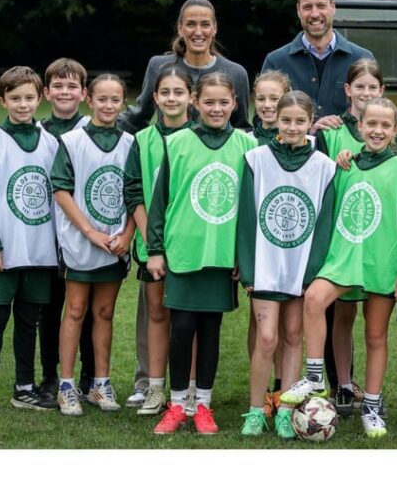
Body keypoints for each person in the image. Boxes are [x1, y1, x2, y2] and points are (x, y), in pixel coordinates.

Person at [281, 97, 397, 439]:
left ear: (394, 131)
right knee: (313, 299)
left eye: (384, 126)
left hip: (381, 262)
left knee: (376, 335)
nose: (376, 130)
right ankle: (315, 376)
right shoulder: (342, 166)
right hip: (344, 258)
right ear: (359, 127)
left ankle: (372, 406)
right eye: (370, 124)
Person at [146, 73, 257, 435]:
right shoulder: (176, 142)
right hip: (183, 252)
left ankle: (203, 406)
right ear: (195, 101)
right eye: (209, 101)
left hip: (223, 257)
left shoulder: (246, 144)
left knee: (210, 331)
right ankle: (177, 405)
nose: (216, 108)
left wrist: (244, 255)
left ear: (235, 104)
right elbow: (159, 201)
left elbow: (251, 207)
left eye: (224, 102)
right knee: (181, 329)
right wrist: (155, 250)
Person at [237, 91, 337, 439]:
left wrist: (313, 271)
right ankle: (254, 410)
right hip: (265, 264)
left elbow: (324, 221)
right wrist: (247, 267)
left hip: (300, 268)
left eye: (300, 121)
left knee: (293, 335)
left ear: (310, 122)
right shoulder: (256, 159)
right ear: (276, 120)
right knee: (267, 338)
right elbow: (247, 216)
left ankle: (284, 409)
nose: (293, 127)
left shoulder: (324, 166)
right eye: (286, 120)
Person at [0, 66, 59, 414]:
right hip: (2, 250)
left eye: (29, 97)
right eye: (15, 98)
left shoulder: (51, 142)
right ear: (2, 100)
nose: (22, 104)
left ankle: (24, 387)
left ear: (40, 98)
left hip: (40, 250)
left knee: (28, 322)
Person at [51, 75, 135, 416]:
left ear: (123, 102)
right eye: (102, 99)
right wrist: (89, 232)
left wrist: (127, 234)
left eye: (115, 99)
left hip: (114, 242)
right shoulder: (71, 141)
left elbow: (135, 193)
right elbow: (61, 189)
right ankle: (67, 385)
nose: (108, 105)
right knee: (75, 309)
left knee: (104, 312)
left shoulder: (131, 142)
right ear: (90, 100)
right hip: (81, 241)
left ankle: (101, 383)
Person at [123, 64, 195, 415]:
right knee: (156, 313)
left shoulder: (199, 138)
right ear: (154, 97)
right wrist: (154, 243)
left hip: (190, 246)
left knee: (189, 320)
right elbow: (134, 191)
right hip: (153, 249)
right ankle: (154, 387)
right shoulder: (142, 140)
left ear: (191, 98)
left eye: (178, 92)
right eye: (164, 92)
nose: (171, 98)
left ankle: (192, 388)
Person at [35, 58, 95, 406]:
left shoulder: (92, 128)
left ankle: (88, 376)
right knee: (50, 308)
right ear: (46, 92)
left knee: (83, 308)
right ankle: (49, 377)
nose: (64, 91)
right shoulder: (38, 132)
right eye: (57, 85)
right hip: (47, 235)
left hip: (82, 235)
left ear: (84, 93)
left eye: (72, 86)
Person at [120, 0, 251, 132]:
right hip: (169, 151)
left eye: (205, 24)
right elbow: (138, 118)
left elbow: (242, 127)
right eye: (191, 24)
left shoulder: (236, 73)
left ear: (214, 28)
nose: (198, 32)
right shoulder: (158, 66)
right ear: (180, 28)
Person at [245, 69, 293, 416]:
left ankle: (282, 388)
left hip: (290, 248)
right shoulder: (245, 141)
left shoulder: (303, 138)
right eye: (260, 98)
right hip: (258, 248)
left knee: (289, 327)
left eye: (273, 98)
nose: (266, 105)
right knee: (260, 324)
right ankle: (260, 393)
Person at [260, 0, 374, 122]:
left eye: (321, 6)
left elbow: (375, 112)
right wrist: (309, 129)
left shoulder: (361, 59)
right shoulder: (276, 62)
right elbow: (261, 121)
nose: (315, 14)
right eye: (308, 7)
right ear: (298, 10)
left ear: (333, 8)